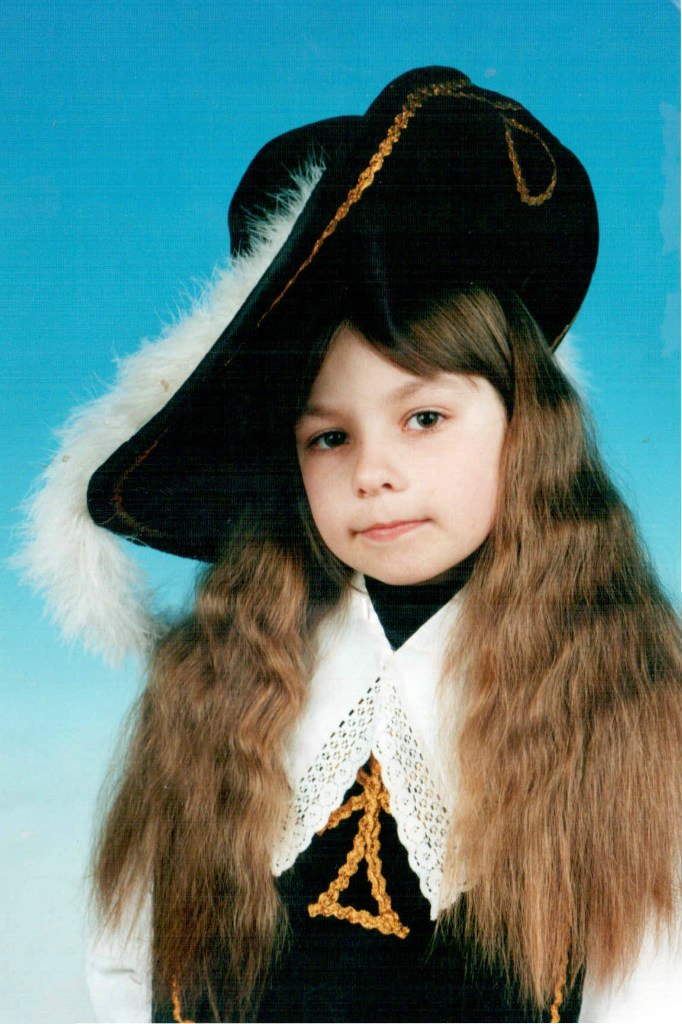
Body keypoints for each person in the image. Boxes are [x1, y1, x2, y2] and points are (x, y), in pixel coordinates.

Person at [20, 67, 681, 1022]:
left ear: (525, 428)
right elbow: (132, 955)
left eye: (423, 418)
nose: (373, 471)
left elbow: (648, 985)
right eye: (330, 437)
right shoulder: (226, 679)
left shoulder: (613, 696)